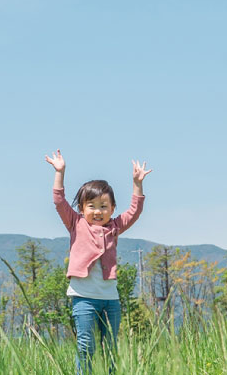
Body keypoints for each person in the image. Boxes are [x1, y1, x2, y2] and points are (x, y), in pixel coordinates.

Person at [44, 150, 150, 374]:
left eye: (104, 206)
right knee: (86, 347)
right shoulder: (75, 223)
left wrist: (137, 184)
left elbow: (135, 211)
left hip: (110, 299)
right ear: (82, 209)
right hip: (83, 298)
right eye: (91, 206)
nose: (98, 211)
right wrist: (60, 172)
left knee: (110, 348)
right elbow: (59, 201)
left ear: (112, 209)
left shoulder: (114, 227)